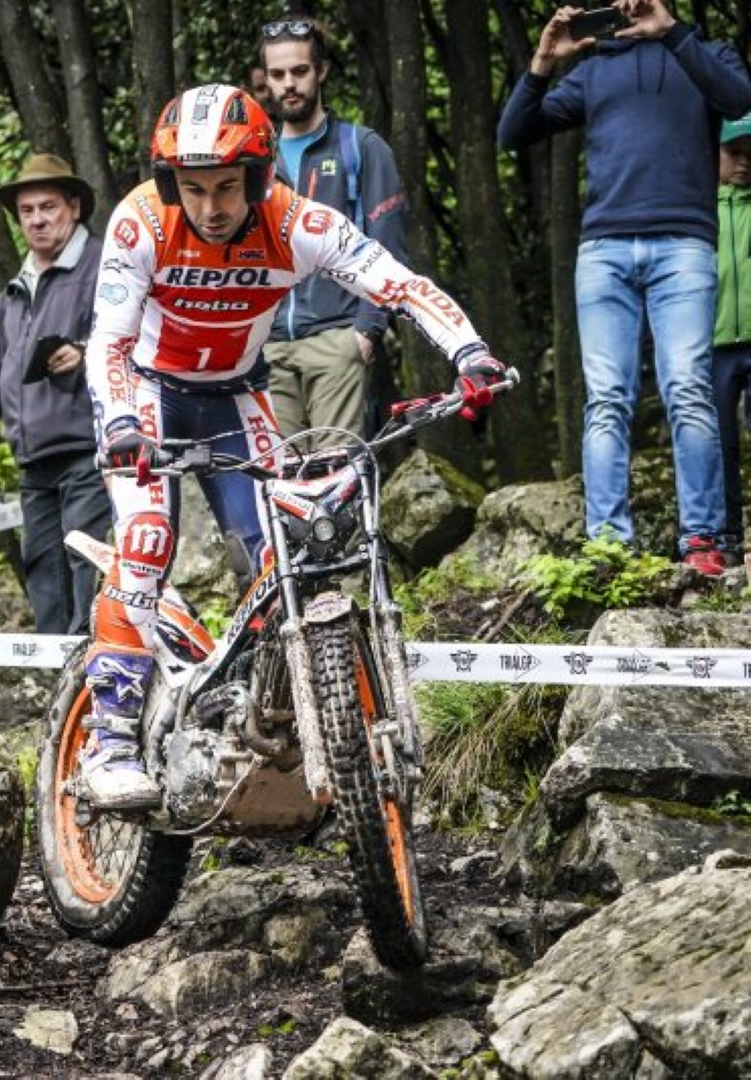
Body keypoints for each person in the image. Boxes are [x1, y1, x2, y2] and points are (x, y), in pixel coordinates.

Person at [79, 84, 505, 809]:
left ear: (258, 176)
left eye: (225, 187)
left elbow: (396, 284)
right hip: (147, 391)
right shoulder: (139, 222)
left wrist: (469, 353)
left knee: (292, 552)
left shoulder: (295, 221)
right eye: (193, 188)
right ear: (168, 183)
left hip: (238, 392)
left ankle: (265, 705)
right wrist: (122, 425)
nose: (211, 207)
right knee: (147, 535)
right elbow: (109, 342)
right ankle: (108, 739)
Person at [497, 0, 751, 576]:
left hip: (684, 246)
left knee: (688, 389)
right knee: (607, 399)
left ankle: (702, 540)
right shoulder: (594, 68)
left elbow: (739, 100)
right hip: (604, 249)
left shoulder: (706, 51)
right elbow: (514, 132)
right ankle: (609, 547)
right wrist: (543, 61)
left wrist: (672, 34)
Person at [0, 152, 113, 634]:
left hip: (89, 449)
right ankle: (57, 692)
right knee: (44, 575)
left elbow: (141, 334)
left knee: (88, 568)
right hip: (33, 460)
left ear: (74, 207)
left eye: (48, 207)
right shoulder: (12, 294)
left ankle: (97, 688)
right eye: (27, 212)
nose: (38, 220)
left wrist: (87, 352)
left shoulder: (103, 265)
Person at [258, 14, 410, 447]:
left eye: (300, 71)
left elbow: (389, 242)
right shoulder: (254, 159)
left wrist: (367, 330)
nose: (289, 84)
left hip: (337, 338)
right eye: (277, 74)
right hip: (265, 349)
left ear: (321, 71)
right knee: (277, 485)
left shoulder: (360, 147)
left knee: (335, 483)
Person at [715, 113, 751, 561]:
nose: (743, 164)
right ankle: (726, 537)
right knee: (718, 443)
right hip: (713, 343)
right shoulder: (696, 210)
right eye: (734, 154)